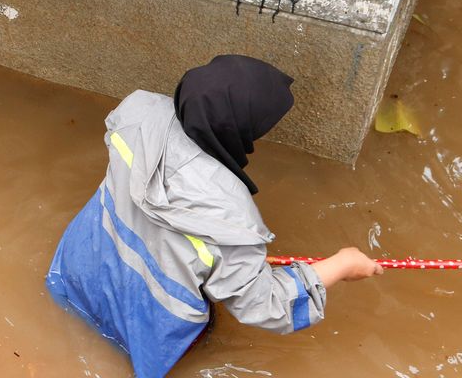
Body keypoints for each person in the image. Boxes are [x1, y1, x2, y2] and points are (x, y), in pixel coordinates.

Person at [46, 55, 382, 378]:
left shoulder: (136, 112)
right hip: (150, 325)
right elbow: (265, 304)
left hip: (79, 270)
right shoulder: (235, 222)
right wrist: (341, 265)